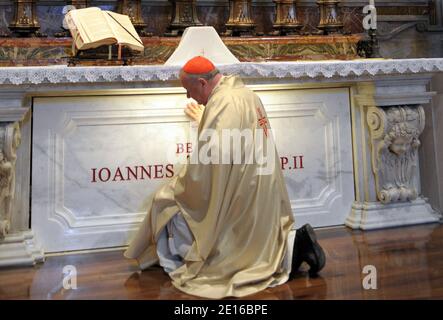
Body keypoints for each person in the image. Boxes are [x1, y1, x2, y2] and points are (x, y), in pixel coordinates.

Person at [124, 56, 325, 299]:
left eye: (188, 90)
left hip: (242, 192)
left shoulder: (221, 104)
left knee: (168, 203)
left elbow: (209, 164)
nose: (189, 97)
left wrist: (181, 184)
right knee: (255, 238)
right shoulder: (245, 94)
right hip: (264, 189)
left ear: (201, 83)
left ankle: (194, 258)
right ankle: (296, 245)